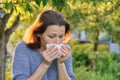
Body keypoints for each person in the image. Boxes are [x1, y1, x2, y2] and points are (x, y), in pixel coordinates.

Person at [12, 10, 75, 80]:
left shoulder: (65, 49)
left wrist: (61, 63)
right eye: (51, 36)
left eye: (61, 36)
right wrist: (45, 64)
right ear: (39, 33)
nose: (57, 42)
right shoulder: (23, 49)